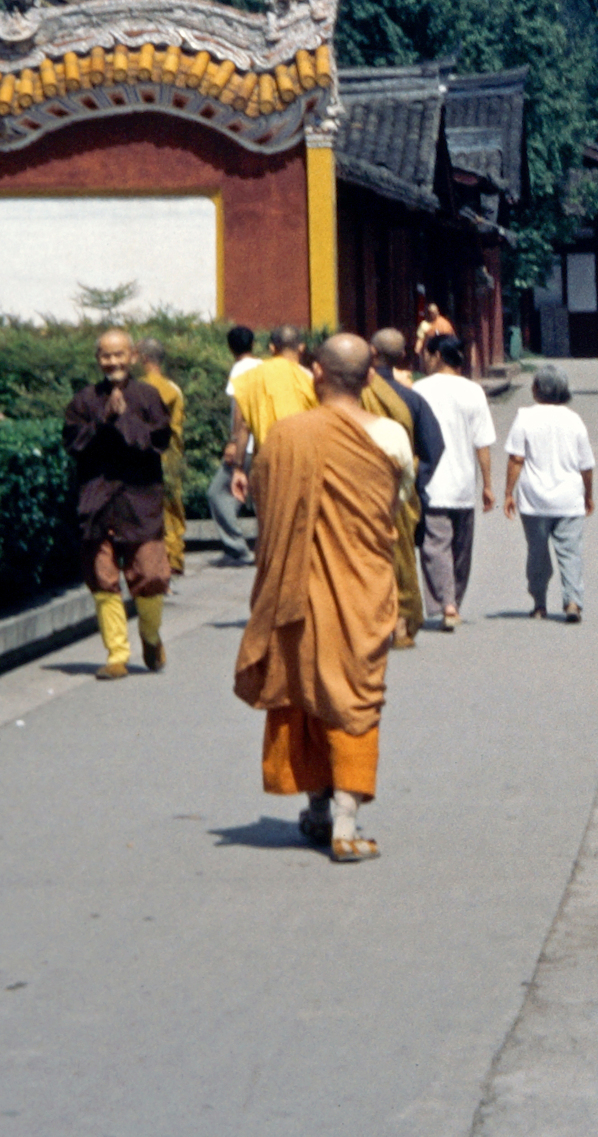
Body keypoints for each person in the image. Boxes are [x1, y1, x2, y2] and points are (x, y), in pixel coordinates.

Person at [234, 333, 414, 863]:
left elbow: (269, 510)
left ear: (316, 372)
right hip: (363, 584)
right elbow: (395, 505)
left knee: (305, 686)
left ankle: (317, 807)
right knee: (353, 695)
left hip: (298, 583)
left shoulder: (286, 436)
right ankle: (342, 823)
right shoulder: (391, 436)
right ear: (371, 375)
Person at [63, 329, 174, 678]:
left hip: (140, 500)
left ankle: (150, 636)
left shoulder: (148, 396)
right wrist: (103, 421)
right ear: (98, 359)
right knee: (102, 576)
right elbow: (73, 444)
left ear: (133, 356)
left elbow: (158, 441)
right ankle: (116, 655)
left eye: (119, 355)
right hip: (97, 500)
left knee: (152, 575)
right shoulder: (83, 401)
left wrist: (123, 419)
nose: (113, 362)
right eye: (106, 356)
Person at [413, 334, 497, 631]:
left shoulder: (418, 390)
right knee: (461, 550)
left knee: (435, 546)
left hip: (430, 483)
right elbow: (482, 443)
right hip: (463, 483)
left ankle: (446, 603)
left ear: (436, 356)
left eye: (426, 353)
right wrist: (487, 484)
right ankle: (453, 603)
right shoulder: (473, 391)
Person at [367, 329, 444, 649]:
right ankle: (400, 622)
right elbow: (434, 448)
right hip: (400, 494)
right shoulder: (411, 399)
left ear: (372, 353)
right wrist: (412, 482)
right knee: (400, 560)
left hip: (356, 491)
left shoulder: (353, 396)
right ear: (403, 358)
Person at [503, 367, 596, 623]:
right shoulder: (574, 419)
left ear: (536, 390)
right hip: (569, 500)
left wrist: (508, 493)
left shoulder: (524, 417)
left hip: (534, 501)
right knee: (570, 553)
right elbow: (586, 465)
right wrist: (588, 495)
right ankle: (573, 602)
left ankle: (539, 604)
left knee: (537, 553)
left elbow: (516, 459)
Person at [226, 325, 317, 509]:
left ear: (272, 348)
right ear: (301, 348)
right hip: (305, 464)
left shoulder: (252, 377)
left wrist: (238, 468)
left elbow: (244, 425)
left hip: (268, 463)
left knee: (271, 524)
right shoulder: (310, 379)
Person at [135, 336, 190, 583]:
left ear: (143, 358)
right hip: (170, 456)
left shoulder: (136, 388)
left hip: (143, 456)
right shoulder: (174, 389)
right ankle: (174, 558)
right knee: (171, 508)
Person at [205, 324, 261, 564]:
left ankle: (236, 548)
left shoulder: (239, 370)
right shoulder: (263, 366)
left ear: (230, 347)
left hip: (245, 446)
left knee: (218, 493)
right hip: (264, 443)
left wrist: (233, 442)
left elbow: (240, 409)